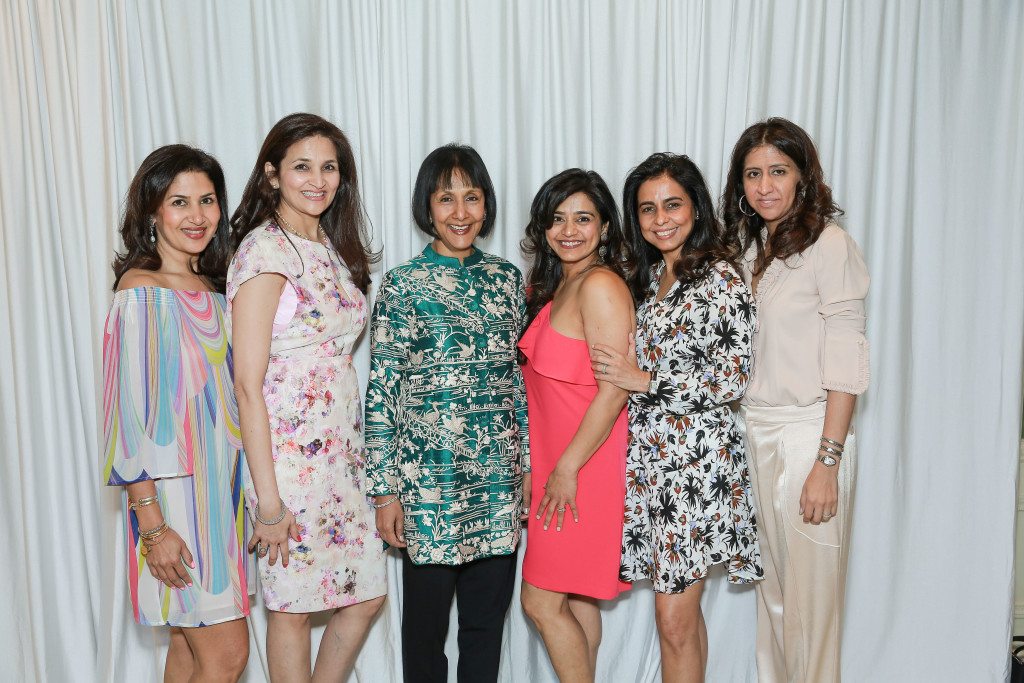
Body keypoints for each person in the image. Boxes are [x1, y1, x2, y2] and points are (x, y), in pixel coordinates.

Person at [589, 153, 762, 682]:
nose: (660, 219)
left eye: (673, 205)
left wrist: (646, 380)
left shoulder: (721, 277)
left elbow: (732, 379)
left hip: (696, 468)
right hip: (653, 466)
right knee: (678, 620)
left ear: (696, 207)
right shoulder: (648, 279)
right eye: (647, 209)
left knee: (673, 618)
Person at [227, 113, 386, 682]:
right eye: (301, 167)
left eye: (329, 167)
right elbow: (247, 384)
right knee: (291, 609)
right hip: (287, 466)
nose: (317, 179)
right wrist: (268, 502)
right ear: (272, 175)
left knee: (364, 595)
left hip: (341, 460)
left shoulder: (330, 247)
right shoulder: (265, 252)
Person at [364, 143, 529, 683]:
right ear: (426, 206)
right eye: (446, 198)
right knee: (425, 635)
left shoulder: (507, 280)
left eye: (472, 197)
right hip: (427, 485)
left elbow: (516, 382)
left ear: (487, 206)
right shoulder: (403, 283)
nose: (460, 212)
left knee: (485, 629)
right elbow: (383, 389)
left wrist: (525, 465)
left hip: (498, 484)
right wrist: (386, 490)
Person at [721, 117, 870, 683]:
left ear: (803, 176)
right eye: (753, 174)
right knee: (774, 602)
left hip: (810, 434)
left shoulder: (830, 247)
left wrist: (826, 463)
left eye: (778, 171)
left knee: (814, 609)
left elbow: (846, 362)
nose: (765, 186)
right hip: (752, 435)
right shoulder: (746, 246)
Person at [102, 144, 252, 681]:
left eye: (207, 201)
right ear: (152, 213)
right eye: (179, 202)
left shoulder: (214, 291)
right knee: (227, 655)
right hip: (174, 506)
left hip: (219, 501)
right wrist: (152, 526)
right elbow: (127, 419)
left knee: (189, 657)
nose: (197, 216)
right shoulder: (142, 293)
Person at [517, 168, 634, 683]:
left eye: (583, 218)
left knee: (541, 601)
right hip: (557, 464)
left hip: (584, 464)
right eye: (558, 219)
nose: (570, 230)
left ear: (605, 226)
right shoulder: (559, 286)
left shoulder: (601, 285)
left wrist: (565, 467)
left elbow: (614, 392)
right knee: (577, 596)